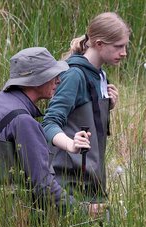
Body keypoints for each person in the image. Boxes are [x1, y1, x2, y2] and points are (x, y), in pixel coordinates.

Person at [0, 47, 103, 216]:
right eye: (52, 75)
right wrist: (83, 210)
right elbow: (43, 185)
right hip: (14, 217)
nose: (58, 80)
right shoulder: (23, 121)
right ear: (36, 80)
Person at [42, 12, 130, 202]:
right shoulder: (74, 75)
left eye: (125, 46)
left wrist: (107, 106)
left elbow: (85, 119)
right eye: (118, 46)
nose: (124, 52)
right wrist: (70, 144)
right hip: (70, 183)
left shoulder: (100, 75)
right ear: (99, 44)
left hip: (92, 180)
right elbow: (49, 124)